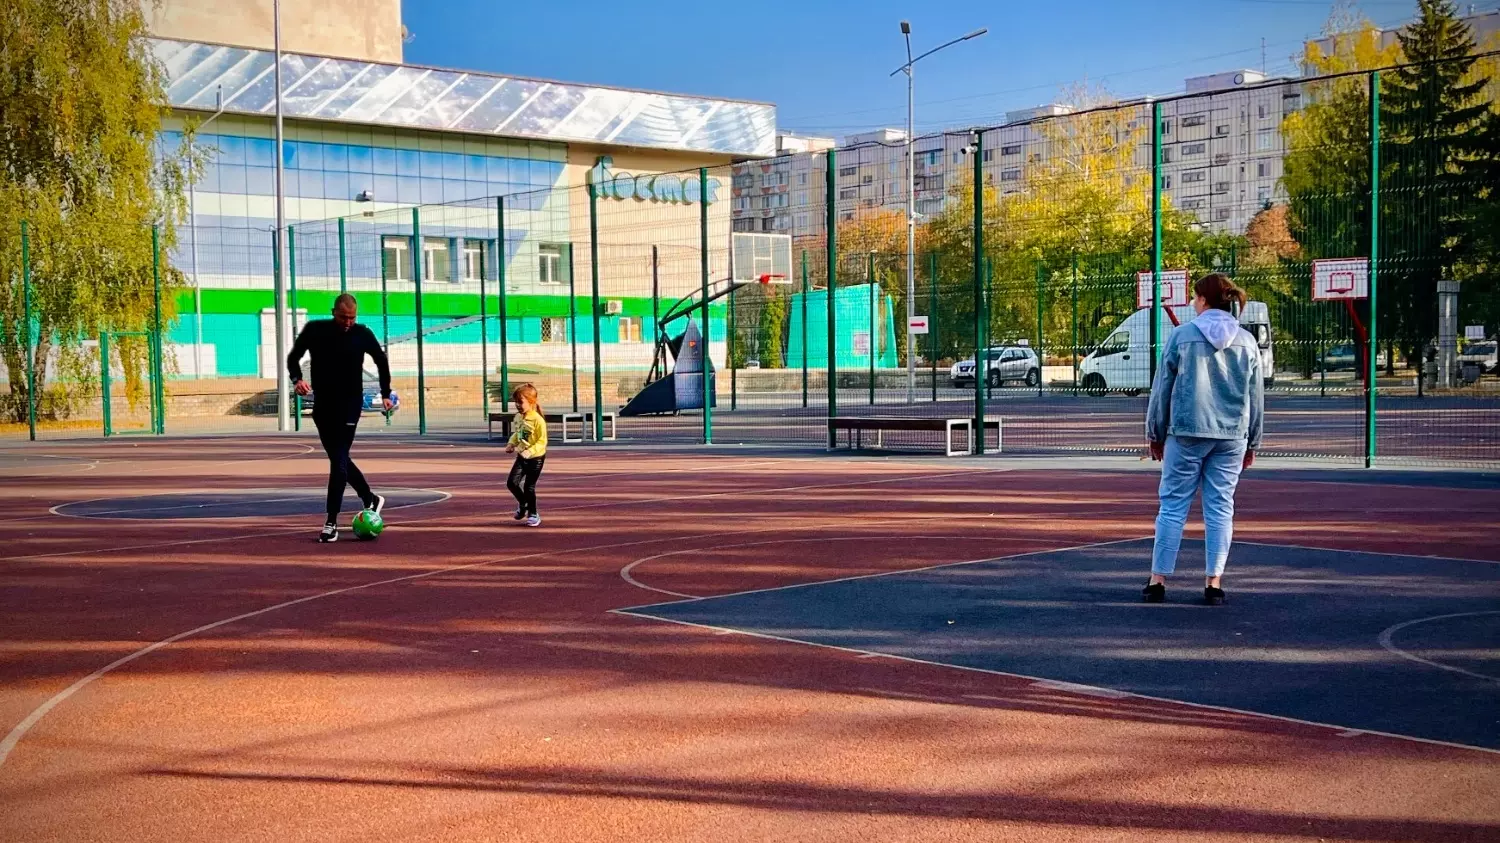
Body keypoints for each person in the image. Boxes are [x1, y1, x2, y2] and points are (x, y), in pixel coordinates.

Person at [1143, 273, 1263, 605]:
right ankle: (1214, 583)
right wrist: (1253, 441)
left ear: (1205, 300)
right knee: (1221, 509)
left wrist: (1155, 433)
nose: (1193, 303)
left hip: (1186, 432)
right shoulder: (1247, 341)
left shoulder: (1182, 336)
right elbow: (1255, 397)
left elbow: (1162, 389)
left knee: (1172, 506)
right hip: (1231, 436)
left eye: (1195, 298)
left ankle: (1158, 581)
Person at [287, 293, 393, 542]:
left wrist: (386, 392)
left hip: (349, 405)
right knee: (340, 457)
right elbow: (294, 357)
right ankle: (370, 498)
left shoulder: (362, 333)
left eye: (352, 318)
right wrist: (297, 379)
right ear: (333, 311)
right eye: (344, 317)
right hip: (323, 405)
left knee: (338, 463)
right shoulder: (315, 330)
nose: (348, 322)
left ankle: (331, 521)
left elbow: (381, 361)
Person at [504, 383, 547, 528]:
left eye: (521, 402)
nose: (518, 405)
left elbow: (542, 441)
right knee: (512, 483)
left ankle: (533, 514)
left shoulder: (538, 420)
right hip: (522, 457)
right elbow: (518, 433)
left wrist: (530, 451)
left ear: (531, 401)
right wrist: (511, 443)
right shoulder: (518, 417)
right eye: (515, 402)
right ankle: (523, 505)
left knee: (529, 486)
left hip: (535, 459)